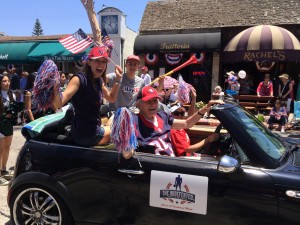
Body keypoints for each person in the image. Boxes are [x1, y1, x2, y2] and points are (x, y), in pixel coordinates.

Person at [121, 86, 223, 159]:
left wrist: (205, 109)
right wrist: (128, 140)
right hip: (154, 170)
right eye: (148, 101)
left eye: (155, 101)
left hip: (172, 163)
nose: (153, 105)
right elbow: (127, 154)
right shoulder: (133, 121)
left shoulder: (163, 116)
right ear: (139, 104)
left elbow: (187, 123)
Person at [54, 46, 123, 146]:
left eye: (104, 61)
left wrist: (117, 80)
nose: (101, 65)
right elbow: (58, 104)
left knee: (115, 117)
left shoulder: (98, 81)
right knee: (121, 128)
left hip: (91, 129)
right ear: (89, 62)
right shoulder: (79, 79)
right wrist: (55, 84)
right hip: (87, 134)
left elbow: (111, 98)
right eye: (97, 61)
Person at [170, 88, 220, 156]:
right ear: (170, 115)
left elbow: (190, 117)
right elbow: (188, 149)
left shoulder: (181, 127)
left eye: (182, 113)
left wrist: (194, 98)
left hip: (191, 155)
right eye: (176, 113)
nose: (179, 116)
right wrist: (208, 140)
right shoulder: (174, 131)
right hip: (185, 159)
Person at [0, 74, 16, 185]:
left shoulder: (12, 94)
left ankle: (3, 169)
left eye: (8, 80)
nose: (7, 83)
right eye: (4, 81)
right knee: (0, 150)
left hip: (8, 125)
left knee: (7, 147)